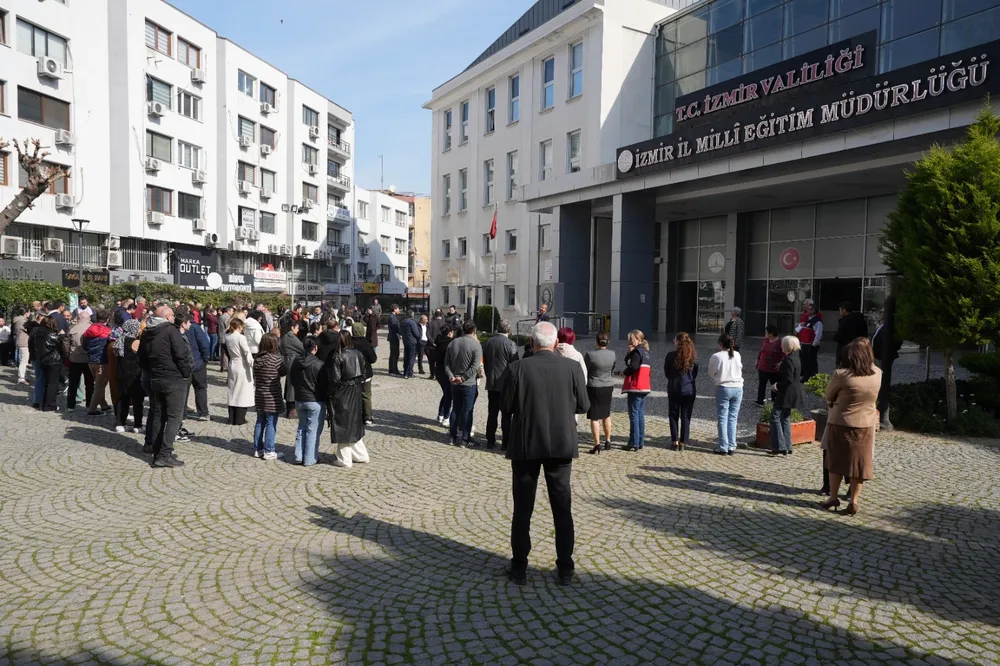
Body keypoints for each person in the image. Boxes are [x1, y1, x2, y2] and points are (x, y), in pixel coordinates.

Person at [502, 321, 589, 586]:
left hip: (527, 444)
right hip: (561, 445)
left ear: (532, 343)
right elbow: (584, 405)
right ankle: (565, 567)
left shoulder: (517, 368)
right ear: (555, 344)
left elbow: (506, 406)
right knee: (562, 508)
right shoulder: (573, 367)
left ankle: (519, 566)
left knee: (523, 509)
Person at [822, 338, 881, 515]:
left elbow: (828, 394)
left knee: (835, 462)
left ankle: (833, 497)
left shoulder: (841, 375)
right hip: (866, 424)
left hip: (841, 422)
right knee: (859, 464)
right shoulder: (877, 373)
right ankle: (854, 500)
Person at [138, 306, 193, 468]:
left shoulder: (147, 331)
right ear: (168, 316)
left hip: (155, 377)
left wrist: (152, 371)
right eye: (172, 315)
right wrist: (185, 373)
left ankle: (157, 452)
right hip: (173, 378)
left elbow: (141, 356)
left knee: (158, 415)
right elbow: (181, 354)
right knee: (174, 417)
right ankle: (164, 454)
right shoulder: (170, 330)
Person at [326, 331, 370, 467]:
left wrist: (330, 393)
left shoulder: (338, 357)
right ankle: (361, 455)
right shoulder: (358, 354)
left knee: (343, 424)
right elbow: (364, 374)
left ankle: (344, 459)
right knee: (354, 423)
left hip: (343, 392)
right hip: (356, 391)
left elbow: (335, 379)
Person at [445, 320, 483, 447]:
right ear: (474, 330)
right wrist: (463, 378)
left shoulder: (453, 343)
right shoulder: (476, 345)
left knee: (455, 409)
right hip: (468, 383)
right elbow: (475, 366)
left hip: (455, 382)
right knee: (467, 411)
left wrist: (451, 376)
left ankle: (452, 437)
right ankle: (465, 439)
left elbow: (447, 364)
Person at [483, 319, 519, 451]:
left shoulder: (488, 342)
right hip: (506, 385)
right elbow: (515, 365)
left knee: (492, 413)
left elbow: (486, 362)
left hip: (492, 383)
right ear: (508, 330)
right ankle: (506, 442)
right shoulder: (510, 344)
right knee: (506, 414)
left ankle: (490, 440)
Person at [290, 337, 326, 466]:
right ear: (315, 348)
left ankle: (299, 456)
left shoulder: (296, 361)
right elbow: (323, 384)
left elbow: (292, 379)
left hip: (300, 399)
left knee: (302, 427)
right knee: (312, 430)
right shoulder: (319, 364)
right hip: (315, 400)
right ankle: (310, 458)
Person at [708, 333, 744, 456]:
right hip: (738, 387)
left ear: (720, 344)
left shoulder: (717, 356)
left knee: (723, 417)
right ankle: (732, 445)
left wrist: (717, 377)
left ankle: (723, 446)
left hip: (724, 387)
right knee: (733, 418)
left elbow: (711, 372)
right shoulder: (737, 354)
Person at [253, 334, 286, 461]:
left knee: (260, 421)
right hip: (272, 396)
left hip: (260, 395)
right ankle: (269, 450)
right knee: (271, 423)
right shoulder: (275, 359)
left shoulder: (257, 359)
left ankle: (258, 449)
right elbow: (284, 371)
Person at [664, 332, 698, 452]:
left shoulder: (670, 356)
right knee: (685, 416)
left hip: (674, 388)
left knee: (673, 415)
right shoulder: (692, 357)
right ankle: (683, 442)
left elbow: (667, 372)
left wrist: (673, 378)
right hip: (688, 389)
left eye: (675, 339)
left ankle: (674, 441)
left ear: (678, 342)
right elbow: (695, 374)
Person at [770, 336, 803, 456]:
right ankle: (787, 446)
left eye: (783, 344)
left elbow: (788, 379)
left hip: (786, 393)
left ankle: (780, 446)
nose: (781, 346)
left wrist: (776, 385)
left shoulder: (788, 360)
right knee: (785, 418)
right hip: (793, 392)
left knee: (775, 417)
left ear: (788, 346)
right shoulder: (795, 358)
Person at [584, 332, 616, 455]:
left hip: (594, 386)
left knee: (594, 416)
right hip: (608, 385)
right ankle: (608, 440)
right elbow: (612, 369)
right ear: (608, 342)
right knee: (606, 414)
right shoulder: (612, 354)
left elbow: (585, 369)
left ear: (596, 342)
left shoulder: (590, 355)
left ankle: (597, 444)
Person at [621, 330, 652, 452]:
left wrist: (624, 372)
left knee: (634, 415)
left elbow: (632, 366)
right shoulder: (645, 352)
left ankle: (633, 442)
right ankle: (640, 441)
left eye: (632, 339)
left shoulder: (636, 352)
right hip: (644, 386)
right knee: (640, 415)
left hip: (636, 386)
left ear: (638, 340)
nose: (629, 341)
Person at [114, 319, 145, 434]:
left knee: (123, 399)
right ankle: (138, 425)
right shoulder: (136, 342)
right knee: (137, 401)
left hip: (121, 373)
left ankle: (120, 423)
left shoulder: (120, 340)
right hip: (134, 375)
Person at [225, 318, 255, 426]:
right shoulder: (241, 337)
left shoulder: (227, 336)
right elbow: (247, 352)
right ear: (239, 327)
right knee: (242, 392)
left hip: (232, 364)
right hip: (242, 366)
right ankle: (239, 418)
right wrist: (253, 365)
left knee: (233, 391)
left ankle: (231, 418)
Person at [83, 309, 114, 415]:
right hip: (102, 361)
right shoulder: (108, 331)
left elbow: (84, 345)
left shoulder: (89, 329)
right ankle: (92, 409)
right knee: (99, 386)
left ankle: (104, 405)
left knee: (99, 385)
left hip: (91, 360)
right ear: (107, 319)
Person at [183, 311, 211, 422]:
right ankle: (203, 413)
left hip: (186, 363)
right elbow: (204, 344)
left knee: (184, 390)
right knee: (200, 388)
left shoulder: (176, 328)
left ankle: (182, 413)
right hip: (197, 362)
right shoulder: (196, 328)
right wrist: (204, 359)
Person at [34, 317, 64, 412]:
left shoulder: (38, 333)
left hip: (42, 360)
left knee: (46, 383)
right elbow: (61, 347)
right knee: (52, 384)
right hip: (53, 360)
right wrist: (62, 336)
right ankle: (49, 405)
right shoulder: (52, 334)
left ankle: (44, 403)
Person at [351, 321, 377, 426]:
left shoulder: (349, 342)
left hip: (352, 373)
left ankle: (355, 415)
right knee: (366, 395)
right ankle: (367, 416)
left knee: (353, 395)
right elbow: (373, 358)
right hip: (365, 373)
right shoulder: (365, 343)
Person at [67, 312, 94, 411]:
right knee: (90, 383)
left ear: (79, 318)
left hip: (75, 358)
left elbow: (67, 344)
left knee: (73, 383)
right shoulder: (92, 328)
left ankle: (70, 405)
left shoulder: (72, 328)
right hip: (88, 359)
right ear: (89, 318)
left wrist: (67, 356)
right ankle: (89, 404)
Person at [280, 321, 305, 417]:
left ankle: (290, 409)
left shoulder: (286, 336)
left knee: (290, 385)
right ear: (292, 327)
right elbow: (302, 348)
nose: (298, 330)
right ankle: (291, 410)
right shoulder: (290, 337)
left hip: (289, 360)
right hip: (292, 362)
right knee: (292, 386)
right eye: (297, 328)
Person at [754, 325, 784, 406]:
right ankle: (760, 400)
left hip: (773, 367)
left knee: (774, 384)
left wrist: (782, 362)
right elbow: (761, 351)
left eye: (767, 332)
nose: (766, 334)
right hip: (763, 366)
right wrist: (757, 359)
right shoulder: (765, 341)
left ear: (771, 333)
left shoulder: (780, 342)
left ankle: (775, 400)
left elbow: (784, 353)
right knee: (762, 384)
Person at [796, 299, 823, 381]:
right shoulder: (809, 319)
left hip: (810, 345)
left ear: (813, 311)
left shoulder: (817, 321)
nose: (806, 310)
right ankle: (806, 375)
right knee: (805, 360)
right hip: (804, 344)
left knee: (811, 361)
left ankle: (811, 376)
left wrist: (813, 345)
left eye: (808, 309)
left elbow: (818, 334)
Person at [434, 326, 455, 427]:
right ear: (450, 333)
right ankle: (446, 416)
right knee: (448, 395)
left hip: (438, 371)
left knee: (446, 393)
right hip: (446, 371)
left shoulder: (438, 341)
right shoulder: (450, 343)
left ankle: (441, 415)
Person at [13, 307, 31, 385]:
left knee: (22, 360)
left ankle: (22, 376)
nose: (30, 314)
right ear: (26, 313)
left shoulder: (17, 320)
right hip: (24, 342)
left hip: (20, 341)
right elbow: (28, 330)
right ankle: (21, 378)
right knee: (24, 361)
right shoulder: (23, 321)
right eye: (29, 312)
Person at [425, 309, 445, 378]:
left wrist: (432, 342)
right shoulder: (444, 324)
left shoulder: (430, 323)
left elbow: (427, 334)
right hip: (441, 345)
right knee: (440, 361)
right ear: (441, 315)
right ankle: (439, 375)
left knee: (432, 361)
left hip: (432, 346)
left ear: (435, 315)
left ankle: (432, 374)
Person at [401, 310, 420, 378]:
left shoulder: (402, 322)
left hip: (405, 341)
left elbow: (400, 332)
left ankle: (405, 372)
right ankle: (410, 373)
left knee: (406, 357)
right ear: (412, 315)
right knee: (411, 357)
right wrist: (419, 337)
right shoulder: (412, 323)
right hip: (412, 342)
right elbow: (416, 333)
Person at [387, 305, 402, 376]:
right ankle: (394, 369)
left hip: (394, 337)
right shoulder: (392, 317)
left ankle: (392, 369)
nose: (399, 310)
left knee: (393, 353)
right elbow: (395, 327)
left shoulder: (393, 316)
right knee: (395, 354)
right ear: (394, 309)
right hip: (394, 337)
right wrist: (401, 332)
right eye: (398, 309)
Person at [219, 306, 233, 372]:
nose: (232, 312)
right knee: (225, 353)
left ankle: (222, 366)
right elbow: (228, 326)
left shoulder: (221, 316)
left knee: (223, 352)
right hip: (225, 336)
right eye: (232, 311)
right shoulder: (226, 317)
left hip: (222, 336)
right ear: (228, 311)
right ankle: (225, 366)